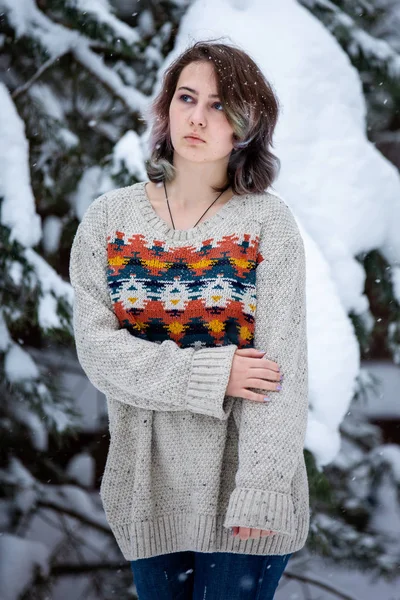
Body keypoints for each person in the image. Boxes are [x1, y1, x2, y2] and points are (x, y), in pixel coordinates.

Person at [69, 39, 309, 600]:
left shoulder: (267, 223)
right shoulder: (109, 220)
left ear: (247, 125)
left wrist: (263, 486)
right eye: (186, 97)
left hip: (242, 502)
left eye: (220, 105)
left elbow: (281, 370)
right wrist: (212, 375)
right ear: (166, 107)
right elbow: (99, 352)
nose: (198, 117)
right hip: (148, 495)